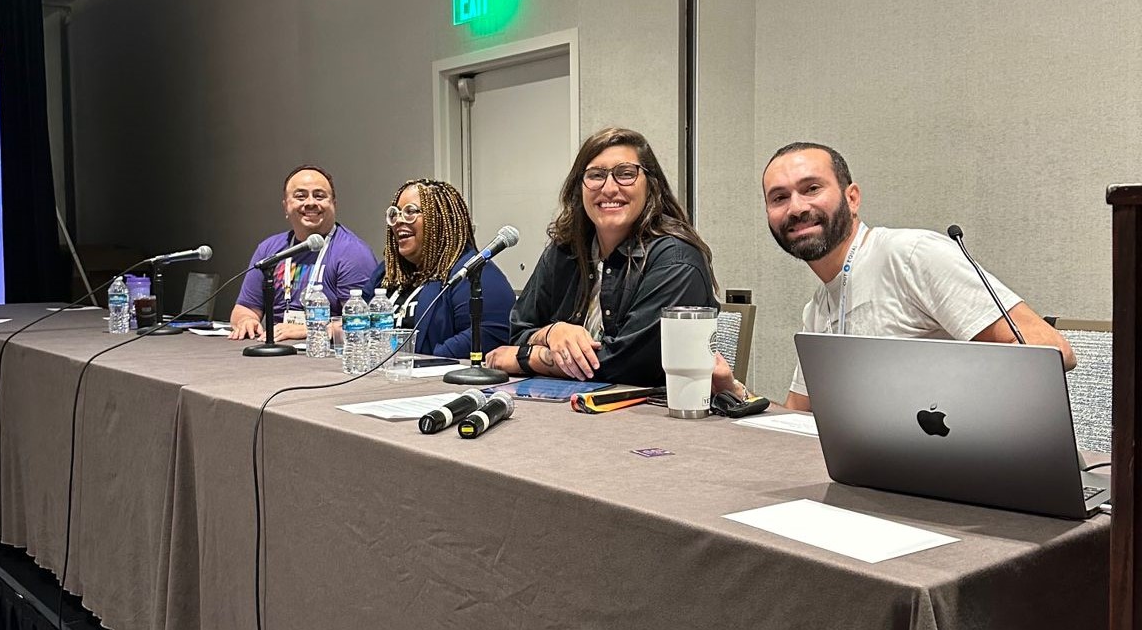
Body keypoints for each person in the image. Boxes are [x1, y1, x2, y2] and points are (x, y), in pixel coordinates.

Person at [726, 141, 1074, 411]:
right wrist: (733, 390)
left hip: (961, 468)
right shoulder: (817, 308)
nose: (797, 208)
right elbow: (797, 418)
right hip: (881, 474)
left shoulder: (911, 255)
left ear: (852, 198)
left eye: (812, 188)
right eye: (779, 197)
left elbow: (1052, 352)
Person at [485, 127, 718, 386]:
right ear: (579, 187)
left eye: (625, 174)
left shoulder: (677, 261)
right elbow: (518, 331)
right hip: (566, 408)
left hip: (650, 419)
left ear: (651, 186)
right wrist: (554, 332)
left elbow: (625, 364)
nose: (608, 188)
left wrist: (528, 358)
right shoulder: (564, 251)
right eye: (596, 175)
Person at [363, 178, 514, 358]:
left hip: (435, 381)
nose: (399, 221)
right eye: (395, 214)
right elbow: (357, 319)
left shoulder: (474, 273)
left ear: (441, 219)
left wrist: (420, 360)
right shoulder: (388, 272)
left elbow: (488, 335)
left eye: (410, 212)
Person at [229, 165, 377, 341]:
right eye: (300, 196)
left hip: (324, 357)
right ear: (286, 207)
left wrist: (310, 330)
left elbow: (362, 324)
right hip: (277, 350)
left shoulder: (353, 253)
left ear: (334, 205)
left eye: (319, 196)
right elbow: (244, 309)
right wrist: (246, 321)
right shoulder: (269, 250)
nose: (310, 203)